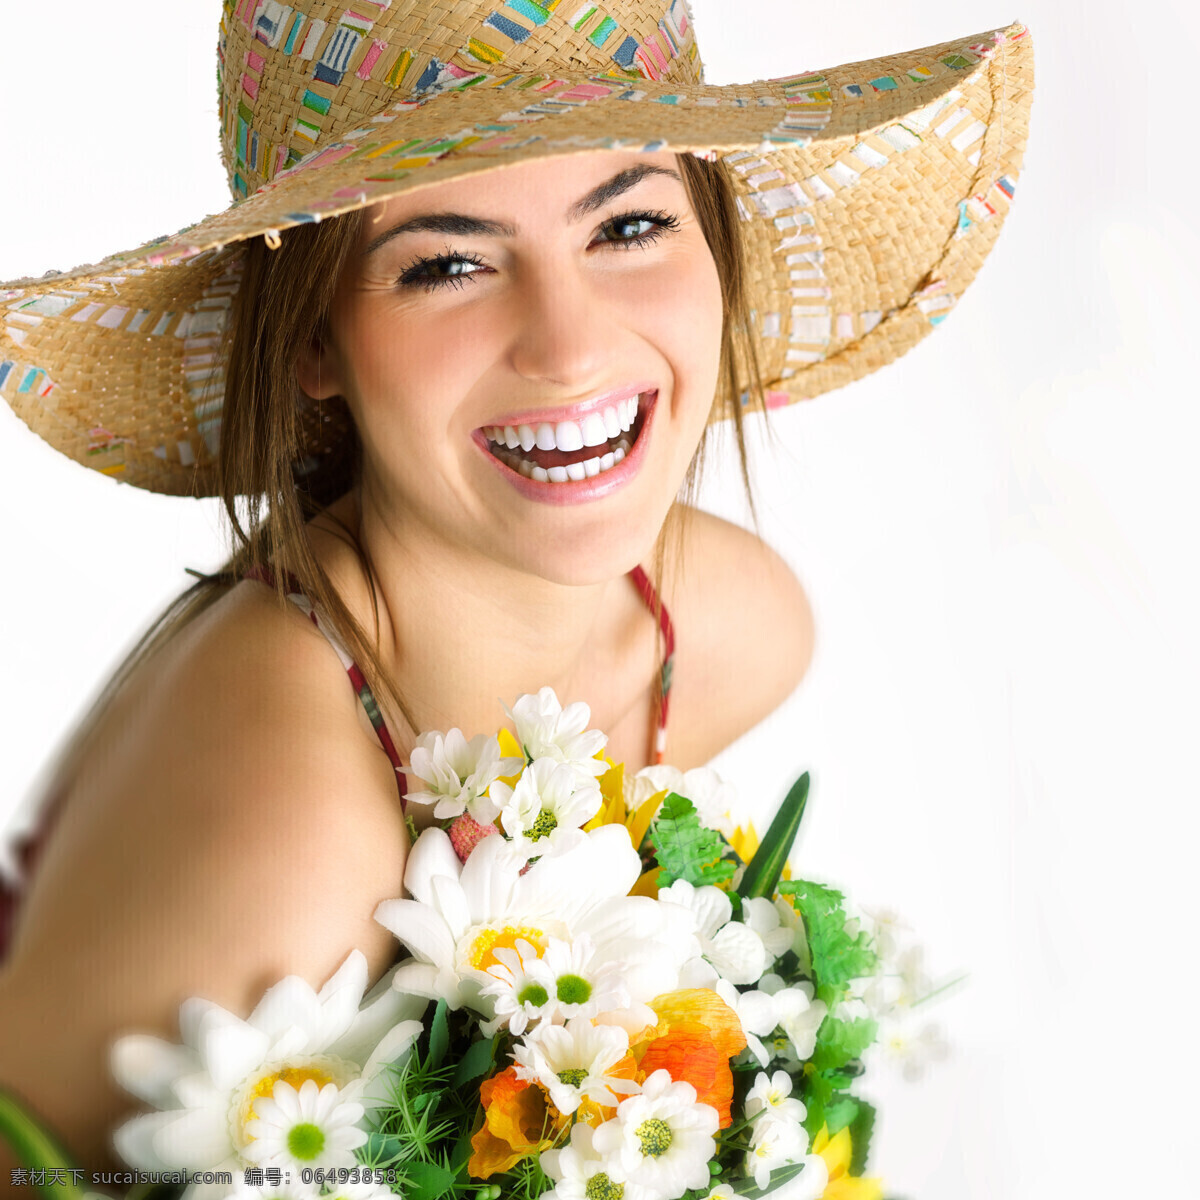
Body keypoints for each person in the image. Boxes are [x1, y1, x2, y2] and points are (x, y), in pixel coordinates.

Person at [0, 0, 1034, 1177]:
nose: (569, 345)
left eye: (630, 224)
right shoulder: (290, 823)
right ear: (313, 344)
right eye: (447, 263)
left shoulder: (733, 626)